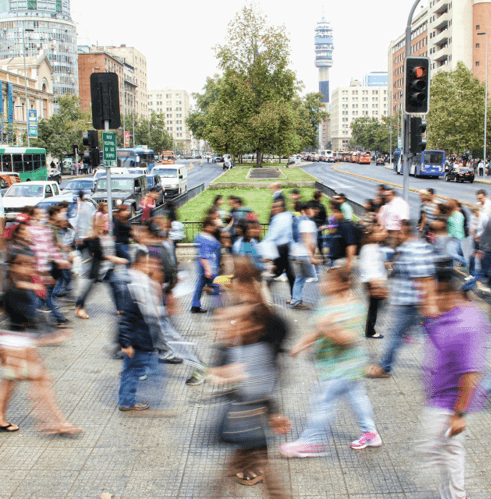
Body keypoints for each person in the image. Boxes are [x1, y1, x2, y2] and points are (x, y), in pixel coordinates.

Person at [279, 267, 381, 458]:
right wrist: (300, 345)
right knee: (357, 397)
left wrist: (329, 327)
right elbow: (317, 329)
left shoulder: (353, 307)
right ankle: (371, 433)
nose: (322, 284)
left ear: (343, 284)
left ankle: (312, 442)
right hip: (337, 364)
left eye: (328, 281)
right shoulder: (327, 302)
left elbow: (349, 339)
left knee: (323, 402)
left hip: (342, 366)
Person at [212, 256, 290, 496]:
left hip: (253, 386)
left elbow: (273, 337)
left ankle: (252, 471)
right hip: (249, 389)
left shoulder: (256, 311)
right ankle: (251, 470)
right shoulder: (241, 303)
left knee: (250, 440)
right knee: (247, 443)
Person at [419, 260, 490, 499]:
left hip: (448, 403)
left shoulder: (466, 324)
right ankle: (455, 495)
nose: (432, 299)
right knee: (450, 452)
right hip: (442, 397)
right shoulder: (451, 315)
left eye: (435, 293)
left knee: (434, 451)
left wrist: (459, 414)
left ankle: (456, 495)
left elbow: (470, 373)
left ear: (448, 292)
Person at [0, 251, 81, 435]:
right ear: (13, 267)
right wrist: (50, 337)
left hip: (16, 343)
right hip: (16, 345)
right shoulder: (15, 291)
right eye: (24, 264)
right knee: (41, 381)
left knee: (10, 382)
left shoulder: (18, 288)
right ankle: (56, 423)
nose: (29, 268)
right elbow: (28, 318)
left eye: (31, 264)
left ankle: (2, 417)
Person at [367, 221, 437, 378]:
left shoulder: (413, 249)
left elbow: (425, 278)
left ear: (404, 233)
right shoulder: (410, 248)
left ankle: (384, 367)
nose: (393, 236)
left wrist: (428, 304)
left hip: (410, 303)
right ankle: (450, 365)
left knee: (395, 336)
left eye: (396, 233)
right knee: (431, 336)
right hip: (409, 301)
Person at [118, 250, 167, 412]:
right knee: (132, 371)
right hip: (136, 339)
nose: (149, 267)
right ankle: (127, 402)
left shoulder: (143, 284)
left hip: (142, 337)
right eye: (146, 264)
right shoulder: (134, 287)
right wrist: (126, 343)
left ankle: (127, 401)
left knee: (132, 371)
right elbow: (126, 318)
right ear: (137, 265)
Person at [75, 221, 128, 320]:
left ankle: (120, 308)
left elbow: (115, 250)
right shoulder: (93, 238)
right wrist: (113, 258)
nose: (104, 227)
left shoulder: (110, 237)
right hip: (97, 269)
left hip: (108, 269)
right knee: (87, 289)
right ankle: (79, 308)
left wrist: (122, 258)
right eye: (101, 225)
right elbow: (96, 254)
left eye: (105, 224)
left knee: (116, 287)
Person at [359, 225, 388, 338]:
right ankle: (370, 331)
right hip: (373, 282)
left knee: (375, 306)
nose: (384, 233)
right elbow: (367, 267)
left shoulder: (373, 247)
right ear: (372, 235)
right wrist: (374, 285)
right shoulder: (369, 248)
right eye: (380, 231)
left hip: (375, 281)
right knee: (374, 307)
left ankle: (370, 329)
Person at [263, 200, 295, 302]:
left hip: (280, 249)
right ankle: (294, 297)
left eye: (274, 207)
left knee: (278, 271)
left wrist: (264, 248)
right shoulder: (290, 215)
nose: (272, 210)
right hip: (286, 248)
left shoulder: (278, 218)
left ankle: (264, 290)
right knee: (287, 273)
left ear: (280, 208)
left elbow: (272, 235)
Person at [190, 215, 221, 313]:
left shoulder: (200, 236)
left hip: (204, 266)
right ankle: (217, 308)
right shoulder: (206, 238)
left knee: (200, 286)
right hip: (210, 266)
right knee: (216, 286)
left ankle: (195, 305)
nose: (215, 227)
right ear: (207, 226)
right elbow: (204, 255)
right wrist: (208, 269)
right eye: (213, 225)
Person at [290, 202, 318, 310]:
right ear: (305, 210)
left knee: (300, 277)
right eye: (312, 209)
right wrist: (312, 256)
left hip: (299, 253)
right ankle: (296, 301)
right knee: (311, 277)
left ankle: (295, 300)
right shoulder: (307, 222)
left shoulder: (300, 221)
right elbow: (307, 240)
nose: (314, 211)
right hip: (304, 254)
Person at [446, 199, 467, 269]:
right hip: (453, 237)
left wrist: (450, 235)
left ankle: (467, 263)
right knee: (451, 254)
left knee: (453, 254)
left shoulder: (458, 214)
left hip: (457, 237)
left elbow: (457, 227)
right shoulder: (451, 214)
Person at [311, 190, 327, 258]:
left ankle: (312, 255)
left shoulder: (310, 205)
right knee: (320, 241)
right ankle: (322, 256)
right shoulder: (321, 206)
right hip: (319, 225)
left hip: (312, 225)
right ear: (319, 197)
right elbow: (324, 217)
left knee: (312, 240)